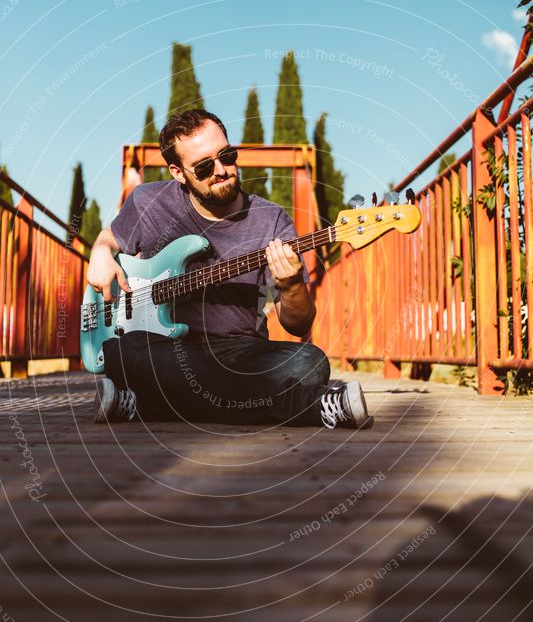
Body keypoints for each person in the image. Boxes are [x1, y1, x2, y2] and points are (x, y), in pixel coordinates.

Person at [87, 109, 373, 430]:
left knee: (310, 363)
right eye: (204, 166)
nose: (222, 170)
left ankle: (147, 405)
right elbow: (110, 237)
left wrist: (292, 286)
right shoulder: (147, 201)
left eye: (227, 155)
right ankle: (309, 405)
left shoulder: (272, 220)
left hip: (242, 353)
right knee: (122, 351)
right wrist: (99, 252)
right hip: (162, 347)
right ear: (179, 172)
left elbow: (298, 324)